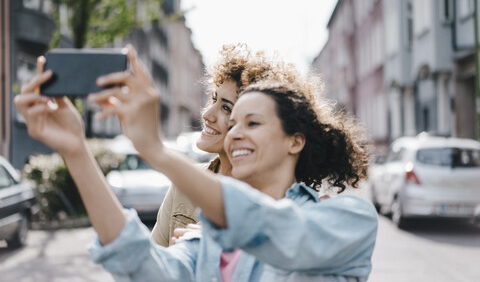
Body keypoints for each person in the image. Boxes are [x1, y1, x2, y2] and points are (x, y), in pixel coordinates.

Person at [14, 44, 378, 281]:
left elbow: (278, 231)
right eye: (232, 124)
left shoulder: (348, 219)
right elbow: (139, 263)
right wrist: (76, 151)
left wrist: (156, 150)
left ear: (295, 140)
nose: (233, 133)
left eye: (251, 122)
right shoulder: (207, 241)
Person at [151, 44, 300, 246]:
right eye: (213, 99)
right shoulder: (187, 183)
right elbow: (156, 263)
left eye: (226, 108)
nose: (206, 114)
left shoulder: (289, 202)